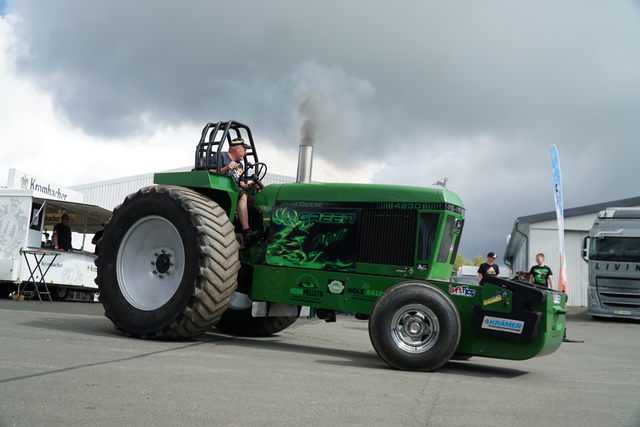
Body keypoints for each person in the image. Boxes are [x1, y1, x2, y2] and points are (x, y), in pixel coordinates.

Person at [208, 137, 259, 242]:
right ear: (237, 148)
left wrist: (250, 186)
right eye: (244, 150)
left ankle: (257, 233)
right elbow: (208, 172)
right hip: (221, 189)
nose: (245, 153)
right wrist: (226, 168)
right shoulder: (221, 156)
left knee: (255, 201)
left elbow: (240, 183)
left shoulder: (240, 165)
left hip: (234, 189)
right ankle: (246, 231)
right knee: (242, 195)